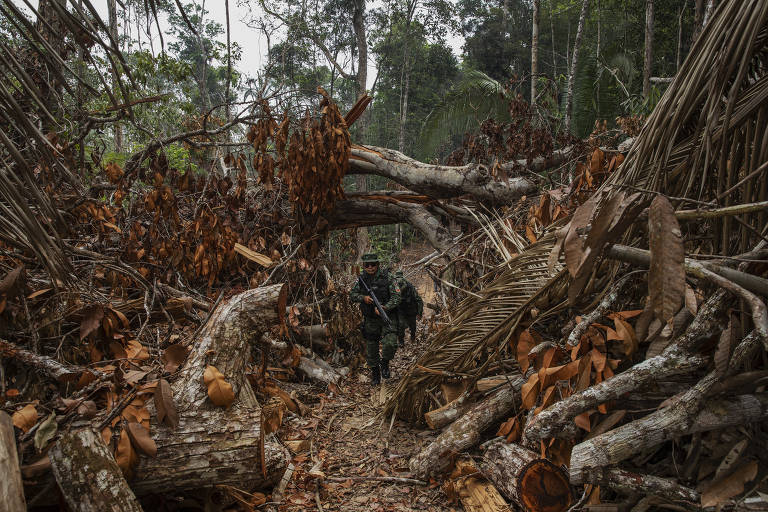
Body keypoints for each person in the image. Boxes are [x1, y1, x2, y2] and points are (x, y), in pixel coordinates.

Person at [349, 253, 401, 385]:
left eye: (373, 265)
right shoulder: (361, 280)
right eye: (367, 265)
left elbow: (397, 297)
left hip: (387, 316)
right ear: (363, 266)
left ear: (378, 265)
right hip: (371, 319)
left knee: (390, 343)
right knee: (371, 349)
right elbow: (352, 294)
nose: (370, 267)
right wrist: (363, 298)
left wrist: (385, 307)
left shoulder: (388, 277)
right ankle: (376, 374)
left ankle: (385, 363)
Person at [393, 270, 423, 347]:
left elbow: (418, 300)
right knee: (401, 325)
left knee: (412, 326)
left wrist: (419, 313)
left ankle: (412, 337)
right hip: (401, 310)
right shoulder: (393, 286)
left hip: (410, 309)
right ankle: (401, 341)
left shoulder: (410, 286)